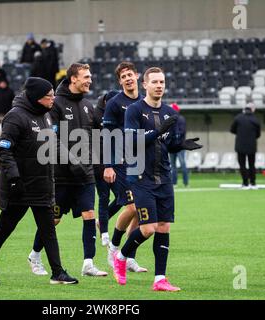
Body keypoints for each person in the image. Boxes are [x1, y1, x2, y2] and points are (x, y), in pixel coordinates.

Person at [0, 77, 78, 285]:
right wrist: (14, 178)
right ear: (37, 98)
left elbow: (53, 144)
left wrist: (73, 161)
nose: (53, 99)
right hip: (19, 188)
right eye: (49, 96)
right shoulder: (15, 117)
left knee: (48, 230)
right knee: (4, 230)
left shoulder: (47, 116)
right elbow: (4, 150)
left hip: (42, 185)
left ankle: (58, 272)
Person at [112, 67, 202, 291]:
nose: (159, 85)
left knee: (163, 227)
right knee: (149, 228)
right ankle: (121, 257)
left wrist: (181, 144)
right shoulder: (134, 110)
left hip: (164, 176)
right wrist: (157, 131)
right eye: (155, 82)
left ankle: (159, 279)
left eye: (162, 82)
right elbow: (132, 141)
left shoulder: (168, 111)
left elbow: (166, 142)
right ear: (145, 84)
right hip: (141, 176)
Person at [28, 63, 108, 277]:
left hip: (86, 174)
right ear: (73, 78)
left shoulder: (88, 105)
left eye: (90, 76)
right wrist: (72, 162)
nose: (90, 80)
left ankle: (88, 263)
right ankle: (34, 255)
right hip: (61, 176)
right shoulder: (56, 104)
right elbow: (51, 137)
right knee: (53, 219)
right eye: (86, 76)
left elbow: (100, 136)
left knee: (89, 215)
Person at [103, 61, 147, 273]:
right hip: (120, 163)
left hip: (140, 161)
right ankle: (113, 247)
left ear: (137, 76)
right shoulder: (114, 103)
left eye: (130, 74)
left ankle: (129, 257)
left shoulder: (144, 101)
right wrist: (108, 165)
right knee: (130, 207)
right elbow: (106, 136)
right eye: (123, 77)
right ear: (120, 81)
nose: (128, 79)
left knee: (140, 211)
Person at [94, 89, 121, 246]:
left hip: (116, 162)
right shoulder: (96, 115)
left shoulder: (117, 113)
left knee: (122, 197)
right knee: (104, 197)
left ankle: (102, 221)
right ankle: (104, 233)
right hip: (99, 163)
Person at [230, 102, 261, 189]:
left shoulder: (238, 118)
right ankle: (253, 183)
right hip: (252, 146)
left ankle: (245, 182)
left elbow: (232, 130)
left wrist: (240, 133)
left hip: (240, 146)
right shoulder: (255, 120)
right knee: (252, 164)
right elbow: (258, 135)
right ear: (253, 109)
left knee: (242, 165)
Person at [168, 103, 189, 187]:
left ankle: (185, 182)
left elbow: (182, 131)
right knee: (173, 166)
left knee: (182, 164)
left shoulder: (180, 119)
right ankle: (174, 182)